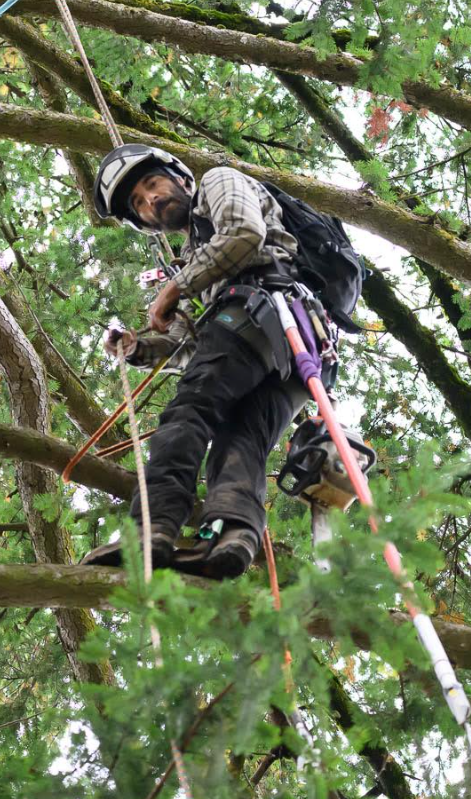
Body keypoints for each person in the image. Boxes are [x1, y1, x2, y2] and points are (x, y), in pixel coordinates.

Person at [82, 144, 313, 580]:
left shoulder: (216, 182)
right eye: (138, 203)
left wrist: (173, 290)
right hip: (284, 346)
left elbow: (245, 233)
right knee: (239, 437)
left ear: (180, 178)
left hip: (266, 312)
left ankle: (152, 527)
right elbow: (193, 345)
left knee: (188, 410)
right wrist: (138, 349)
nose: (150, 200)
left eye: (152, 184)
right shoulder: (194, 255)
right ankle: (232, 535)